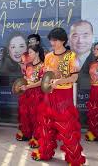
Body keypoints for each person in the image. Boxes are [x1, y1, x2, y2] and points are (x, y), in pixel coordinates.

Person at [31, 28, 85, 166]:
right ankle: (45, 152)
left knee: (67, 128)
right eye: (51, 40)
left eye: (55, 40)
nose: (52, 42)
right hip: (49, 95)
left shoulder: (72, 56)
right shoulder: (48, 56)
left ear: (63, 41)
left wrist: (59, 81)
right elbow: (45, 77)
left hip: (63, 96)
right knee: (46, 126)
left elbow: (74, 77)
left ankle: (74, 158)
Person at [16, 43, 45, 149]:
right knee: (25, 113)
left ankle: (37, 137)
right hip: (26, 93)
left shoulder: (43, 66)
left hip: (37, 93)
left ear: (37, 53)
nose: (29, 55)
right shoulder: (28, 65)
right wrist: (20, 86)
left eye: (31, 52)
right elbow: (25, 78)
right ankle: (26, 133)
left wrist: (28, 87)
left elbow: (42, 82)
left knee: (36, 115)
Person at [69, 20, 95, 89]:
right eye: (75, 36)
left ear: (92, 38)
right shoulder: (62, 60)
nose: (80, 41)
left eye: (85, 36)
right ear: (69, 38)